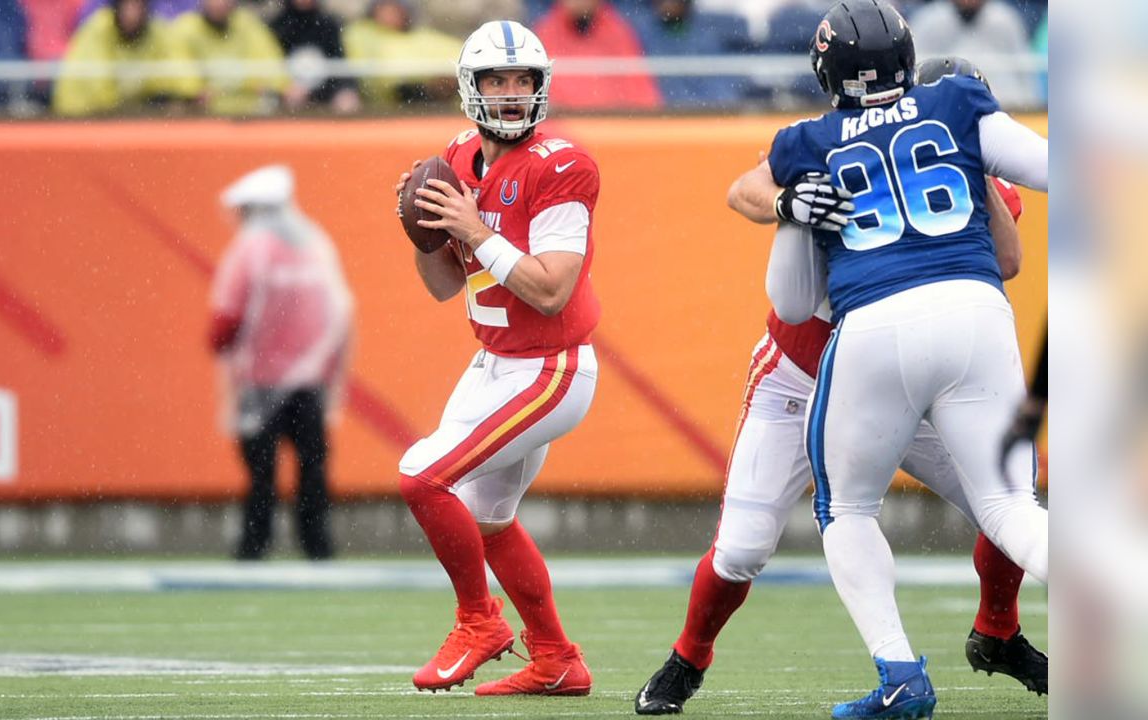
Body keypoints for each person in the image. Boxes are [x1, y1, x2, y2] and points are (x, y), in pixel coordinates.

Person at [634, 65, 1045, 712]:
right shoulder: (834, 150)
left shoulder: (954, 162)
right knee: (740, 548)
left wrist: (978, 176)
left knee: (1005, 500)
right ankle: (689, 656)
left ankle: (997, 631)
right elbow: (744, 188)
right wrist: (783, 204)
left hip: (902, 380)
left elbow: (1010, 259)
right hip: (802, 374)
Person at [390, 19, 600, 696]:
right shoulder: (455, 157)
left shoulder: (562, 165)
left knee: (423, 476)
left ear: (540, 88)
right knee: (489, 520)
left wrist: (475, 229)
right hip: (496, 361)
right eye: (496, 81)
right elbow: (446, 286)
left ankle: (479, 620)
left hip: (551, 366)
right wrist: (425, 234)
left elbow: (550, 289)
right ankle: (557, 659)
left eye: (522, 81)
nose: (510, 94)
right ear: (470, 88)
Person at [209, 165, 354, 561]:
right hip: (309, 384)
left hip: (258, 382)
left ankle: (254, 551)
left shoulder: (249, 251)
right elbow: (339, 313)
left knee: (261, 474)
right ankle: (318, 550)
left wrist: (225, 345)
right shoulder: (315, 245)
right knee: (313, 470)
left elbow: (226, 318)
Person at [53, 0, 197, 116]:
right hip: (81, 119)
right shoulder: (98, 29)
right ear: (116, 8)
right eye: (126, 6)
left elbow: (182, 75)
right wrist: (140, 106)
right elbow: (100, 94)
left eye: (137, 6)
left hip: (129, 119)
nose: (131, 14)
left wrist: (182, 96)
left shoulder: (158, 31)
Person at [532, 0, 662, 109]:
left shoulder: (617, 31)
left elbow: (643, 96)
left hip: (613, 130)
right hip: (563, 130)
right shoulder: (545, 33)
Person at [908, 0, 1036, 108]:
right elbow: (916, 78)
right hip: (944, 111)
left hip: (1001, 109)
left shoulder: (1005, 21)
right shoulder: (929, 22)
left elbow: (1025, 81)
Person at [171, 0, 288, 115]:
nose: (220, 3)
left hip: (250, 115)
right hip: (200, 116)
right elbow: (179, 71)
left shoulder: (248, 23)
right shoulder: (185, 27)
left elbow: (271, 63)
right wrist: (194, 90)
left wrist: (269, 84)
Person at [342, 0, 463, 108]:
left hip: (431, 102)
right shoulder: (360, 33)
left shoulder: (422, 36)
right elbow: (381, 78)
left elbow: (461, 56)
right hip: (388, 104)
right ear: (375, 9)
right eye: (386, 6)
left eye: (396, 6)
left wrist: (444, 79)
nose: (391, 12)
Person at [266, 0, 363, 113]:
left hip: (327, 90)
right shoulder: (278, 26)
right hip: (289, 94)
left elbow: (340, 63)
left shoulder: (329, 24)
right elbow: (271, 64)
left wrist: (345, 90)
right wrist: (285, 87)